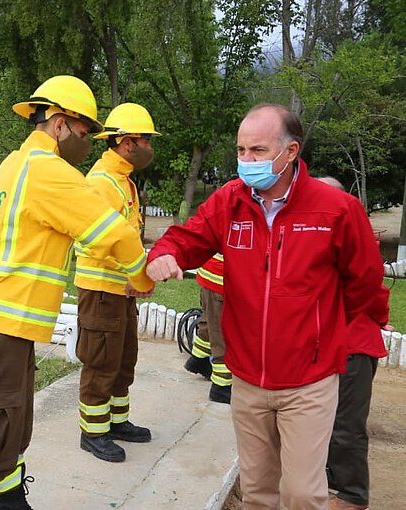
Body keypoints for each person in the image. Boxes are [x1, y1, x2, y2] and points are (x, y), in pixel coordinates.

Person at [146, 103, 383, 510]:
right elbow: (188, 237)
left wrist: (325, 336)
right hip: (248, 379)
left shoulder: (335, 209)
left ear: (290, 152)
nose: (246, 161)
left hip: (308, 382)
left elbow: (364, 283)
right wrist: (164, 254)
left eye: (257, 151)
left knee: (302, 495)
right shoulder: (230, 203)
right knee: (257, 493)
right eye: (241, 151)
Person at [0, 75, 154, 510]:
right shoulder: (48, 172)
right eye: (83, 132)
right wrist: (144, 277)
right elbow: (112, 233)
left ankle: (12, 499)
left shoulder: (11, 165)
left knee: (7, 422)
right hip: (1, 324)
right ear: (58, 124)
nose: (88, 142)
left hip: (2, 323)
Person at [72, 103, 159, 463]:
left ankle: (116, 421)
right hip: (103, 290)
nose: (149, 148)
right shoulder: (101, 182)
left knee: (124, 360)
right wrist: (133, 274)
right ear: (125, 142)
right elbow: (96, 239)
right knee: (101, 362)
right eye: (145, 140)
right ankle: (93, 432)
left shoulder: (123, 181)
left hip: (122, 291)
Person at [316, 176, 391, 510]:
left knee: (344, 426)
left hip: (351, 346)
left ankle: (349, 495)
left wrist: (375, 319)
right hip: (316, 345)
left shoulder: (352, 239)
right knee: (314, 421)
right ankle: (325, 483)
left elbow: (373, 288)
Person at [181, 253, 233, 404]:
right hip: (222, 280)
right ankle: (221, 387)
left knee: (209, 321)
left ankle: (199, 360)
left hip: (210, 275)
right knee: (221, 334)